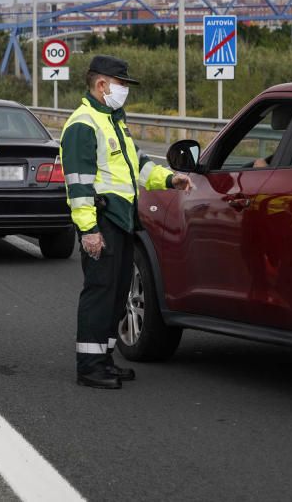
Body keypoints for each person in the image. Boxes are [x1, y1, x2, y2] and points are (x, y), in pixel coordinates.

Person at [60, 54, 192, 390]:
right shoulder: (83, 124)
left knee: (118, 293)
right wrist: (88, 230)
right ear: (101, 84)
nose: (124, 90)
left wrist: (170, 179)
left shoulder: (113, 120)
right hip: (102, 220)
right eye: (121, 84)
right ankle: (89, 365)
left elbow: (138, 165)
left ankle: (104, 359)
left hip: (122, 220)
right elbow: (78, 184)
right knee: (100, 293)